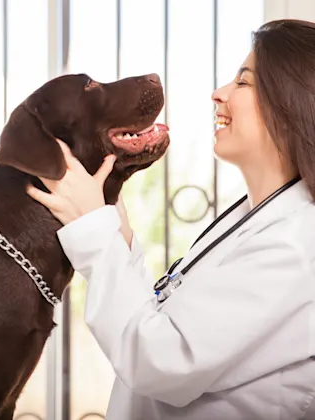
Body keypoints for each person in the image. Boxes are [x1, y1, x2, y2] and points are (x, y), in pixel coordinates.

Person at [26, 19, 315, 420]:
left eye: (243, 82)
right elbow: (165, 320)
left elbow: (160, 361)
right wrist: (116, 229)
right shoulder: (259, 218)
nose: (219, 94)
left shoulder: (297, 245)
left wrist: (94, 232)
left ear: (292, 103)